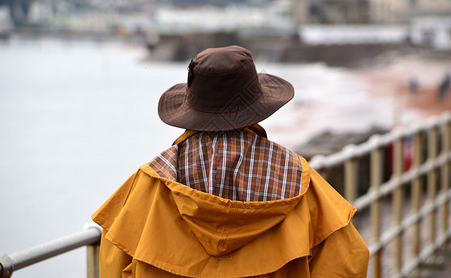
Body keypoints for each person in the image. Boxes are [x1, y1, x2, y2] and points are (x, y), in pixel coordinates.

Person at [92, 45, 369, 277]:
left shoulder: (152, 180)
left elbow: (113, 263)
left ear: (191, 105)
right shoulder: (297, 177)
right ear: (257, 106)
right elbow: (347, 262)